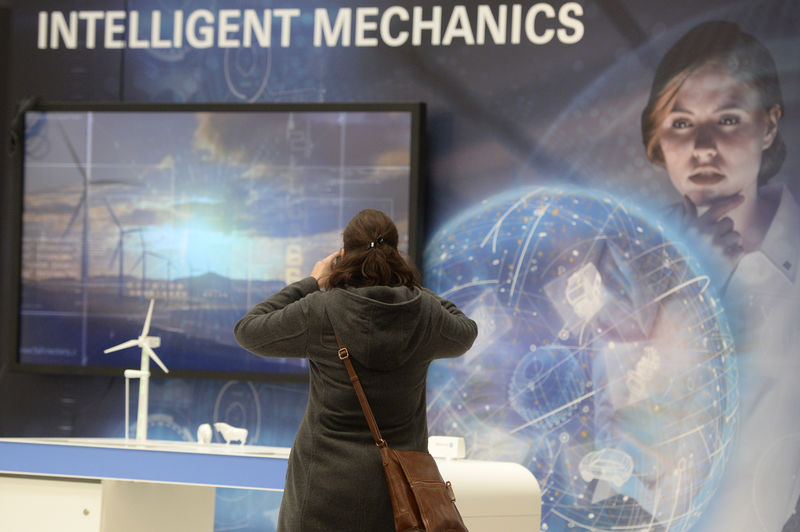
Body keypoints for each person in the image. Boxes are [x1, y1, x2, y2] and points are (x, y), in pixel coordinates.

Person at [640, 21, 800, 531]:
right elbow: (609, 424)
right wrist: (691, 287)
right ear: (658, 138)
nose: (703, 147)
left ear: (769, 126)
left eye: (728, 119)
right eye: (682, 124)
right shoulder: (623, 253)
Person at [234, 209, 478, 532]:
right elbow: (466, 330)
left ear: (343, 256)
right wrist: (411, 286)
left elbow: (248, 330)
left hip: (320, 495)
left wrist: (312, 282)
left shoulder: (320, 310)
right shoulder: (425, 314)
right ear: (396, 256)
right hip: (397, 503)